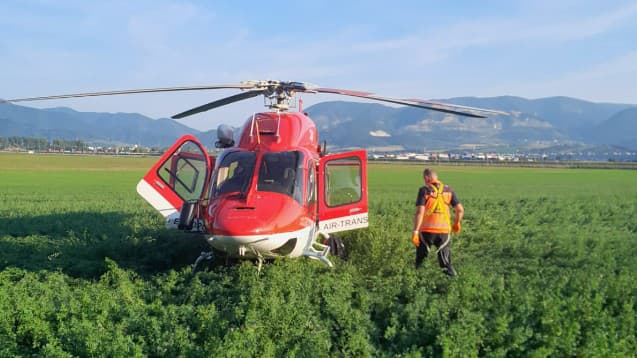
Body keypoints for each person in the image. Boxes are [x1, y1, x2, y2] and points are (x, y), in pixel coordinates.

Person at [411, 168, 464, 276]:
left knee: (421, 262)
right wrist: (457, 223)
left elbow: (420, 213)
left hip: (426, 232)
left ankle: (418, 283)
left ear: (426, 178)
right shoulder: (448, 190)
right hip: (444, 232)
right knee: (445, 263)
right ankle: (454, 284)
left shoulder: (424, 190)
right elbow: (460, 210)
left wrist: (415, 231)